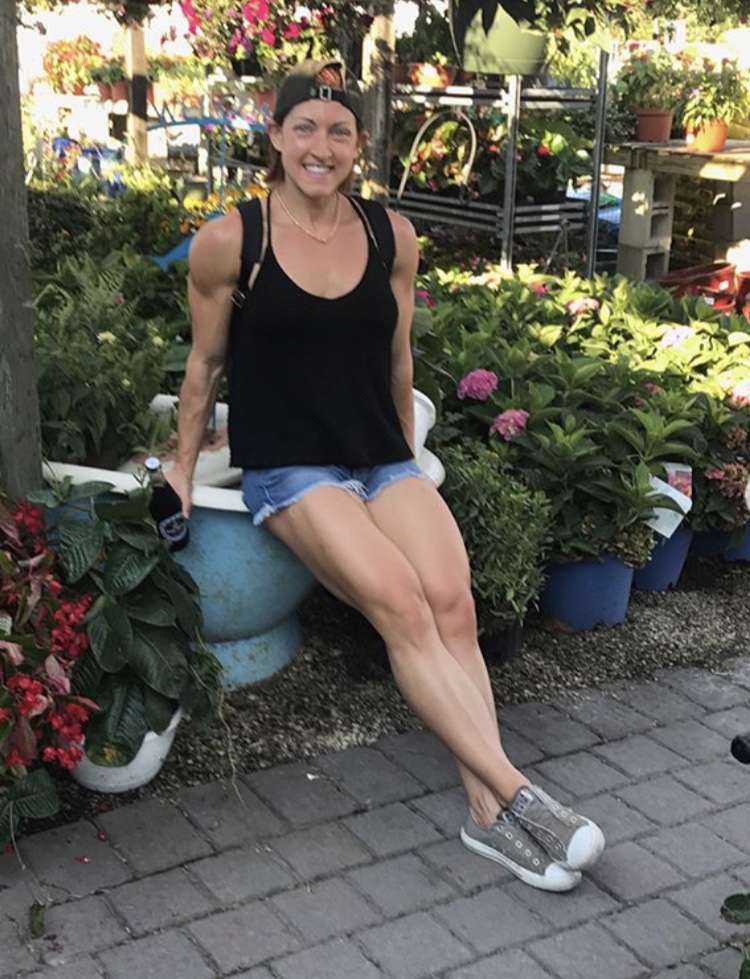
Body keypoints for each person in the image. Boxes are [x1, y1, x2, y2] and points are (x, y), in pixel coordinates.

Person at [171, 59, 605, 892]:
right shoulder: (233, 239)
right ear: (275, 136)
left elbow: (398, 357)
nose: (321, 146)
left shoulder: (389, 235)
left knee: (454, 604)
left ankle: (487, 816)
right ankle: (522, 796)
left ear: (359, 145)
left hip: (378, 454)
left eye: (339, 131)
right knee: (402, 605)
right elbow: (204, 366)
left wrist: (403, 463)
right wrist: (180, 474)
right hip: (290, 466)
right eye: (304, 128)